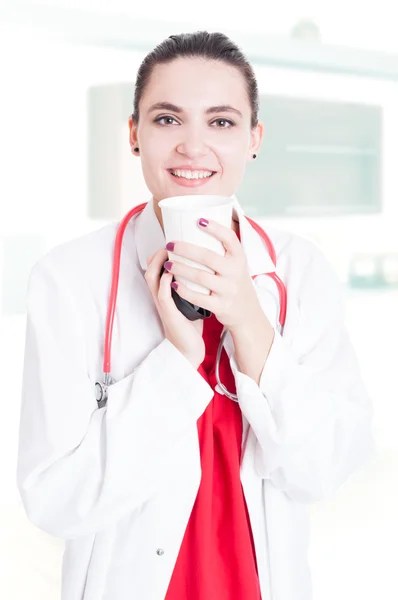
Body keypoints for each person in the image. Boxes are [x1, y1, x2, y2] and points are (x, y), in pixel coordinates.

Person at [16, 31, 374, 600]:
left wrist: (250, 325)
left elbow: (323, 470)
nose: (192, 146)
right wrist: (179, 361)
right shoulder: (68, 279)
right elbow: (55, 500)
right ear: (134, 135)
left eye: (222, 122)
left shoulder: (300, 272)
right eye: (166, 119)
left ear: (255, 139)